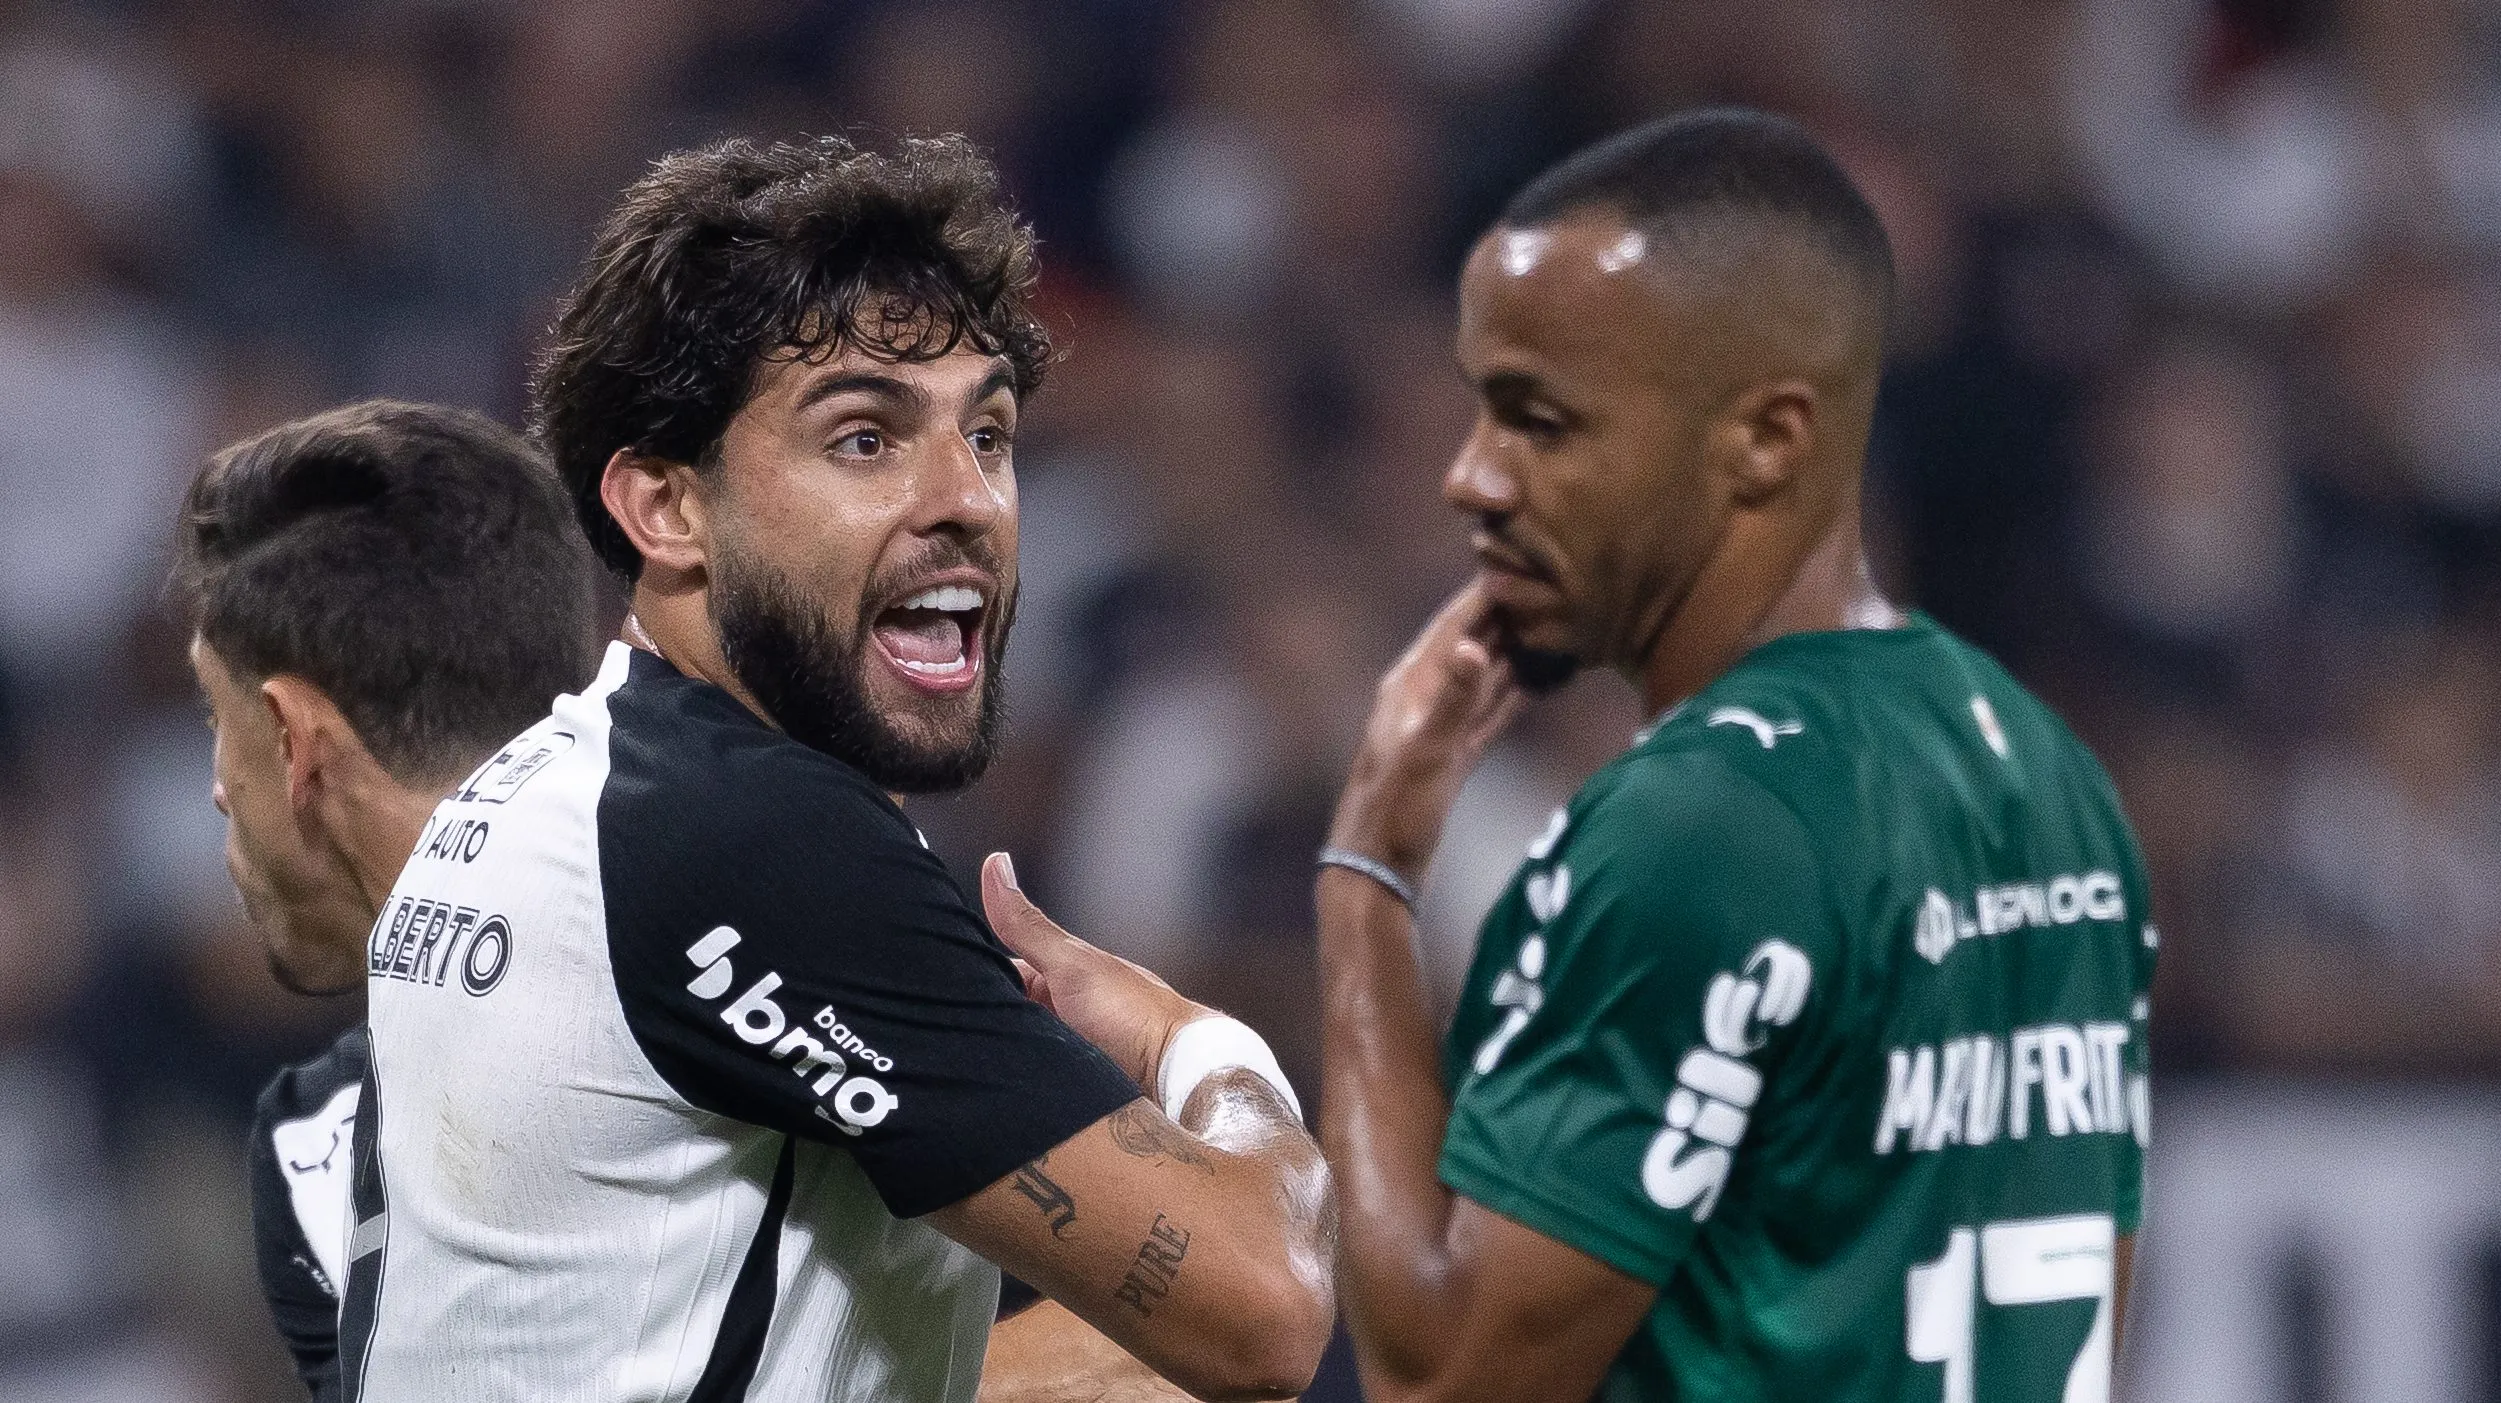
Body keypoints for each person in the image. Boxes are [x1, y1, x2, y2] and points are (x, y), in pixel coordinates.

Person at [337, 134, 1334, 1403]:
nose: (963, 496)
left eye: (987, 433)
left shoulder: (559, 790)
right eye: (864, 438)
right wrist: (1189, 1039)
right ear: (665, 506)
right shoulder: (745, 831)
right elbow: (1268, 1310)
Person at [1313, 108, 2156, 1402]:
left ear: (1766, 438)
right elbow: (2096, 1294)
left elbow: (1437, 1378)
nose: (1472, 477)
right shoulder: (2050, 772)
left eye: (1542, 419)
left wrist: (1366, 874)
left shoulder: (1695, 828)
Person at [175, 400, 606, 1401]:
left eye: (215, 713)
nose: (214, 782)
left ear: (291, 742)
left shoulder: (750, 949)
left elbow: (1050, 1311)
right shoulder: (314, 1151)